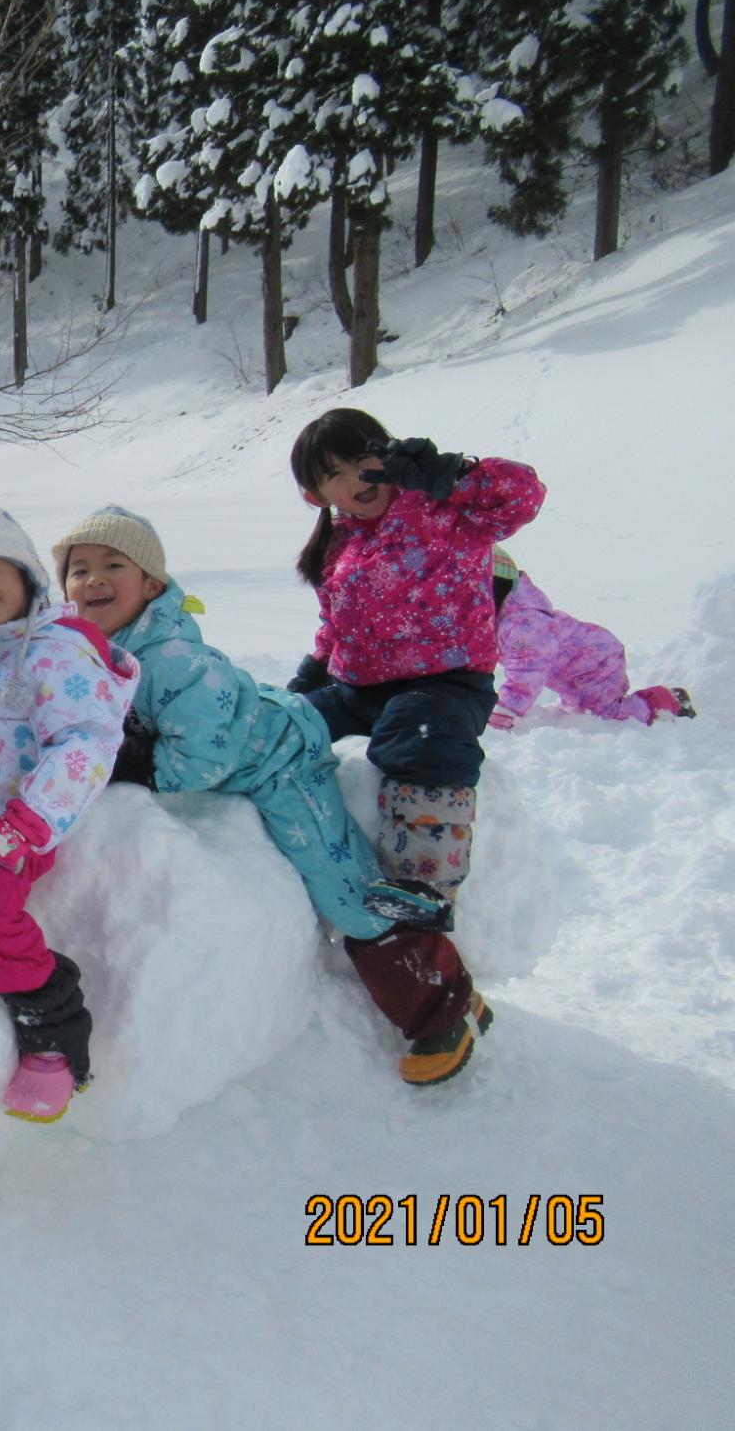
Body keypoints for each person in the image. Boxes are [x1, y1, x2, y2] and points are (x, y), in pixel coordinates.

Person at [55, 505, 471, 1085]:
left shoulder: (169, 660)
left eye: (112, 564)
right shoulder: (94, 650)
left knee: (344, 888)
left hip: (280, 760)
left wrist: (134, 764)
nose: (93, 579)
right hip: (254, 733)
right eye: (78, 569)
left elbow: (204, 756)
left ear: (151, 584)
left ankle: (445, 1006)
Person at [283, 409, 545, 1083]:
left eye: (360, 462)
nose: (354, 481)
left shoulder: (443, 505)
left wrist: (453, 476)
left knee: (413, 739)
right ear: (320, 495)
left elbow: (523, 497)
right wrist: (308, 685)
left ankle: (421, 885)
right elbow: (332, 630)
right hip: (359, 681)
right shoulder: (340, 546)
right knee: (283, 730)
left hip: (446, 677)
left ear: (388, 455)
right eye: (333, 476)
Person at [0, 481, 139, 1122]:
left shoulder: (54, 649)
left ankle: (52, 1030)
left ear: (26, 573)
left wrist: (25, 823)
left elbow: (84, 741)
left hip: (18, 824)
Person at [489, 547, 694, 729]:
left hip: (597, 662)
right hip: (576, 669)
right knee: (581, 710)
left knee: (605, 714)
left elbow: (526, 674)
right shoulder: (503, 617)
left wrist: (505, 712)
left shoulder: (524, 624)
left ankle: (666, 702)